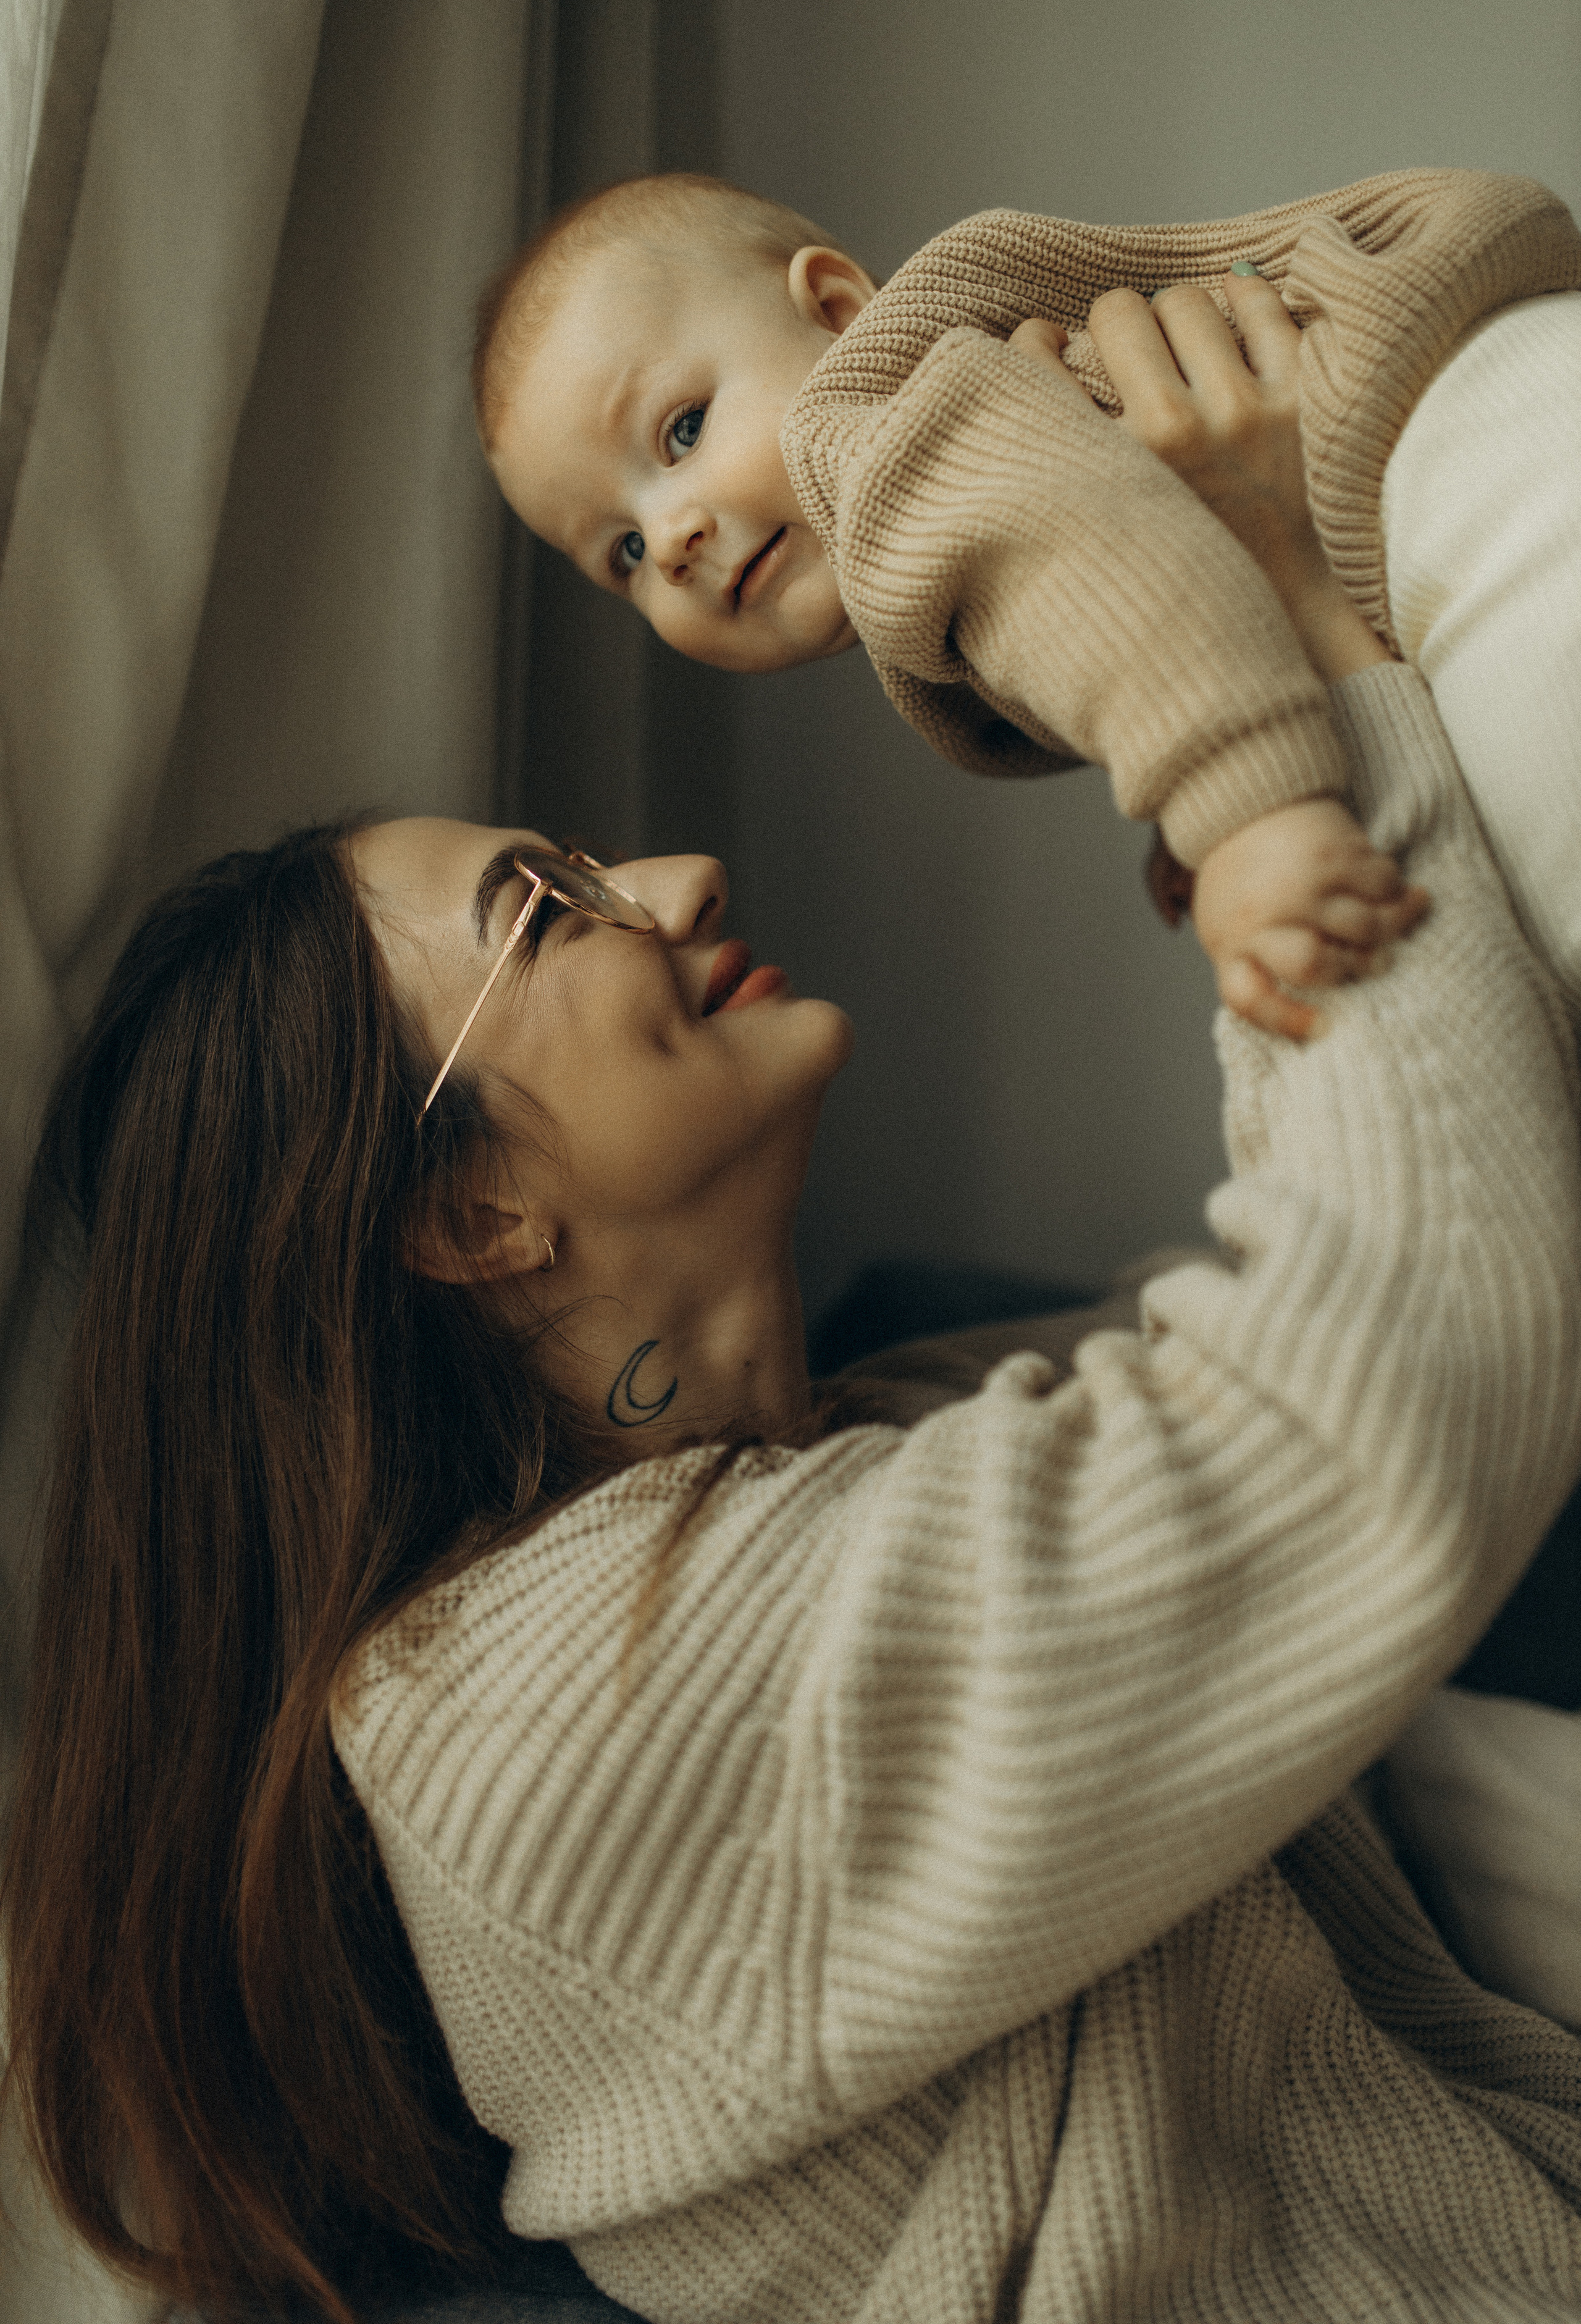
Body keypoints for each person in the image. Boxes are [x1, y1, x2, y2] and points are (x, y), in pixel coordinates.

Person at [4, 324, 1581, 2324]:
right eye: (548, 911)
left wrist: (1247, 864)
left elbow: (1298, 1324)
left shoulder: (842, 1452)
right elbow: (1393, 1395)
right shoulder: (542, 1718)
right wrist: (1299, 674)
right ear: (467, 1214)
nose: (677, 878)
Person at [474, 166, 1581, 1035]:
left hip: (1473, 468)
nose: (672, 540)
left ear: (839, 310)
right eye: (622, 551)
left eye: (681, 431)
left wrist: (1248, 809)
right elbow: (1151, 595)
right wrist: (1203, 767)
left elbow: (1099, 558)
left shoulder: (877, 436)